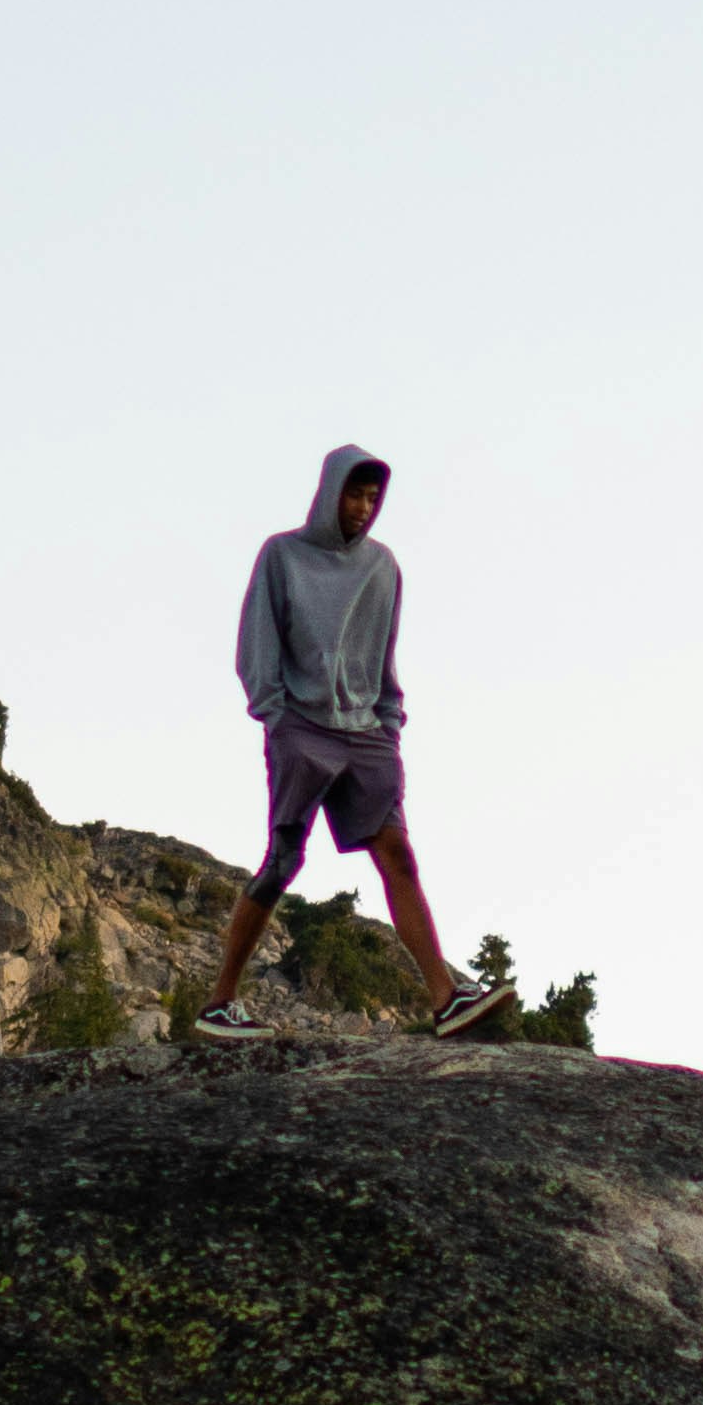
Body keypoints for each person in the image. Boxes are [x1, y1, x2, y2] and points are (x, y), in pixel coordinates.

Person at [198, 444, 505, 1042]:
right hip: (302, 727)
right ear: (329, 492)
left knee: (397, 853)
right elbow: (256, 646)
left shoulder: (383, 567)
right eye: (354, 494)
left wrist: (388, 725)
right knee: (283, 860)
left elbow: (384, 656)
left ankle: (446, 999)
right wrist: (277, 719)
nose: (364, 507)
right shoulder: (281, 556)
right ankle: (219, 1002)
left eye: (373, 497)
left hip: (365, 732)